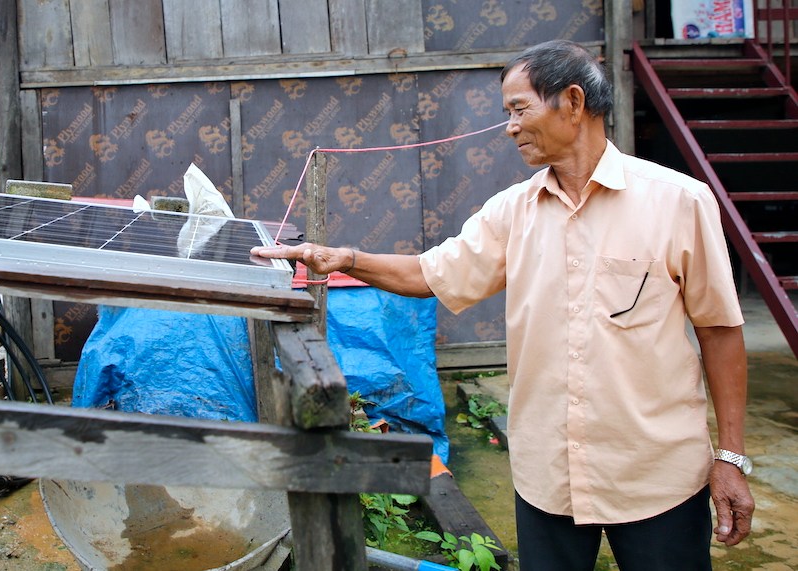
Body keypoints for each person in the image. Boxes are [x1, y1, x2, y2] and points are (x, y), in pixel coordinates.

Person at [251, 39, 754, 570]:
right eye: (507, 113)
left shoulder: (679, 201)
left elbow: (720, 330)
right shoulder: (512, 212)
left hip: (657, 475)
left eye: (519, 110)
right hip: (549, 477)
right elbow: (430, 273)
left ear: (574, 102)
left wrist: (730, 456)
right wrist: (341, 257)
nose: (509, 127)